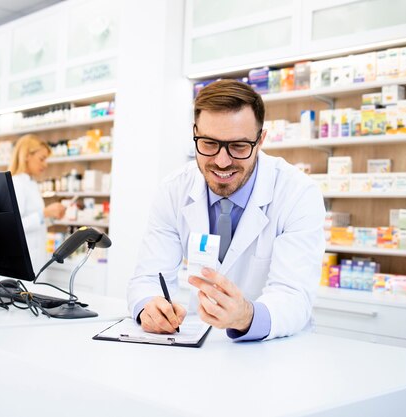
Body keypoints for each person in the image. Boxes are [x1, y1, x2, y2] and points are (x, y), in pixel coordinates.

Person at [126, 79, 326, 342]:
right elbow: (150, 276)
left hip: (273, 349)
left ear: (261, 139)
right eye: (209, 143)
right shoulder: (173, 190)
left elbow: (294, 295)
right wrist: (148, 307)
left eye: (239, 146)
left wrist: (247, 316)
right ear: (194, 133)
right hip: (197, 343)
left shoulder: (298, 193)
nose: (222, 161)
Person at [9, 134, 66, 275]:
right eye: (42, 159)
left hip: (37, 257)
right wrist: (44, 213)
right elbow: (15, 226)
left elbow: (35, 221)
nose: (45, 164)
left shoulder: (32, 183)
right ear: (27, 155)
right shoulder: (17, 183)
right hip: (24, 257)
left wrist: (52, 217)